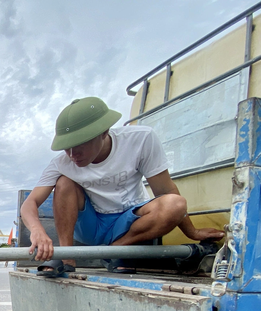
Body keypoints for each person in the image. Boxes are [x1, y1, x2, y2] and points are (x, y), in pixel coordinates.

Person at [20, 96, 224, 276]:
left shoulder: (141, 139)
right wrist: (37, 230)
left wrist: (192, 233)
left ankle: (117, 251)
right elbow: (30, 204)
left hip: (131, 222)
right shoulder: (62, 163)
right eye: (67, 148)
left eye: (80, 146)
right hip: (93, 225)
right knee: (64, 182)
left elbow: (165, 191)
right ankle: (66, 258)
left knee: (176, 204)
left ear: (104, 132)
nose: (72, 155)